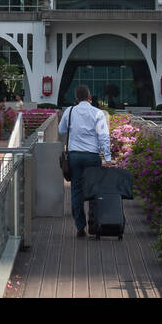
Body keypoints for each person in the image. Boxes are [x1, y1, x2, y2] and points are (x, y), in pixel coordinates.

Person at [59, 84, 112, 238]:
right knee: (95, 190)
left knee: (76, 190)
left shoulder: (69, 111)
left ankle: (79, 226)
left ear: (76, 98)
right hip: (92, 156)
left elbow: (61, 130)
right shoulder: (98, 113)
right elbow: (103, 136)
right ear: (90, 97)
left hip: (74, 156)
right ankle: (93, 223)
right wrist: (107, 158)